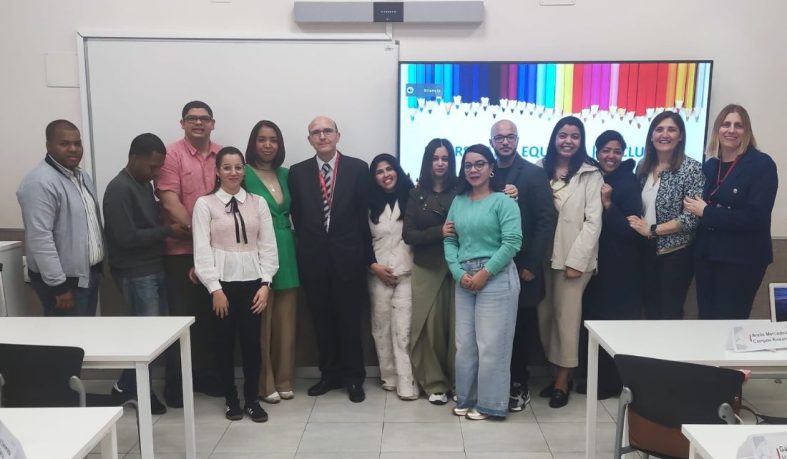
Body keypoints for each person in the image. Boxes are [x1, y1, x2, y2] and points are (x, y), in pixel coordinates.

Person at [103, 133, 190, 415]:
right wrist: (168, 231)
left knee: (154, 335)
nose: (156, 175)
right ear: (134, 158)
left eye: (159, 168)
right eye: (152, 167)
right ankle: (140, 391)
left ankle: (126, 387)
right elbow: (126, 237)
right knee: (146, 336)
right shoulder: (119, 189)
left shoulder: (141, 185)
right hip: (135, 272)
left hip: (153, 267)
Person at [289, 116, 372, 403]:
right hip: (313, 260)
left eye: (327, 131)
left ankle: (353, 378)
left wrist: (364, 258)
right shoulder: (297, 173)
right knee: (321, 321)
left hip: (348, 259)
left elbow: (364, 217)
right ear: (309, 139)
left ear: (338, 135)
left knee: (350, 321)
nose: (322, 136)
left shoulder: (358, 169)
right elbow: (298, 217)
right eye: (316, 132)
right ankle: (329, 375)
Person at [192, 147, 278, 422]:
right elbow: (202, 250)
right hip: (221, 286)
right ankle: (231, 399)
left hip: (253, 282)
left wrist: (266, 283)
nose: (233, 173)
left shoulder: (257, 203)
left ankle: (252, 398)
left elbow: (268, 245)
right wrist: (214, 288)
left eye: (238, 167)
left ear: (244, 170)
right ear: (217, 171)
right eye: (227, 167)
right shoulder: (205, 204)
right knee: (223, 343)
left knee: (252, 344)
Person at [445, 144, 522, 420]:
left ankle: (490, 405)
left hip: (497, 276)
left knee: (491, 345)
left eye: (479, 164)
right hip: (464, 278)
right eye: (468, 165)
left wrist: (484, 273)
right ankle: (466, 398)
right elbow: (450, 239)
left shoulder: (504, 201)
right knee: (465, 345)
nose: (473, 170)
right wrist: (458, 273)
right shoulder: (458, 201)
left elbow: (512, 242)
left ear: (491, 168)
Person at [155, 100, 223, 404]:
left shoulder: (223, 154)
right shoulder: (171, 155)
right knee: (181, 320)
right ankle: (175, 387)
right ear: (182, 123)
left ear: (212, 123)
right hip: (181, 251)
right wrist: (202, 238)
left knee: (210, 319)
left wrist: (210, 243)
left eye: (204, 119)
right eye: (192, 119)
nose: (198, 123)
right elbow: (170, 202)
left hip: (217, 251)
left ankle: (206, 378)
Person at [684, 104, 778, 319]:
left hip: (742, 260)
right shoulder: (709, 166)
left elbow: (756, 217)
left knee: (730, 323)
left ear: (747, 131)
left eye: (739, 125)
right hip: (707, 256)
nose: (731, 130)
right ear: (718, 129)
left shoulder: (761, 164)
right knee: (706, 320)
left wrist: (707, 212)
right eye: (726, 124)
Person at [489, 119, 556, 413]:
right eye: (499, 138)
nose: (505, 142)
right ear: (492, 141)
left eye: (510, 137)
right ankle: (493, 384)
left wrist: (531, 264)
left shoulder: (533, 174)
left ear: (518, 139)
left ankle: (519, 384)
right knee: (492, 331)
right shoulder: (482, 172)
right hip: (488, 267)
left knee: (520, 331)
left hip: (522, 268)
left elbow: (545, 221)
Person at [537, 116, 603, 409]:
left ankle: (563, 381)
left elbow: (593, 222)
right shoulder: (540, 169)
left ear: (581, 140)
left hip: (572, 262)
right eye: (562, 135)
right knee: (546, 318)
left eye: (574, 136)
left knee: (567, 321)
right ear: (554, 138)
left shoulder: (591, 174)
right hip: (543, 258)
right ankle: (555, 375)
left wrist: (577, 260)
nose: (568, 141)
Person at [578, 130, 642, 399]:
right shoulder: (592, 176)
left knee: (613, 326)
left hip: (620, 269)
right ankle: (593, 380)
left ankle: (611, 384)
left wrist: (608, 205)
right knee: (592, 323)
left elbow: (630, 230)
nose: (611, 156)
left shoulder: (627, 183)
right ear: (596, 151)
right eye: (606, 150)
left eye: (617, 151)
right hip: (594, 265)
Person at [17, 120, 103, 317]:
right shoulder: (39, 183)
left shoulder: (80, 176)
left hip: (86, 275)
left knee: (85, 339)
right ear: (49, 146)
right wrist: (58, 286)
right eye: (64, 144)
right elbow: (40, 238)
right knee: (67, 344)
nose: (73, 149)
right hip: (63, 283)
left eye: (77, 143)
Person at [243, 120, 300, 404]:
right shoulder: (242, 173)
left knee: (285, 322)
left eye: (273, 140)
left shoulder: (287, 174)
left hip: (287, 248)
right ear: (253, 143)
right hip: (257, 250)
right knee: (261, 322)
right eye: (262, 139)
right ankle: (264, 384)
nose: (268, 145)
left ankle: (284, 379)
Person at [627, 111, 704, 320]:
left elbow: (691, 218)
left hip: (676, 254)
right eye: (659, 129)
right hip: (645, 250)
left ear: (680, 136)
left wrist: (652, 230)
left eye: (671, 130)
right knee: (649, 310)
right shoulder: (643, 167)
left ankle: (669, 354)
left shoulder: (691, 169)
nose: (665, 134)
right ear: (651, 136)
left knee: (669, 313)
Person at [402, 138, 458, 406]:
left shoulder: (462, 189)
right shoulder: (416, 193)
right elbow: (409, 234)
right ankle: (436, 383)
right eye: (435, 158)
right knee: (431, 327)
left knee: (459, 328)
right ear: (428, 160)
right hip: (427, 267)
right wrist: (439, 232)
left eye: (445, 158)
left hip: (459, 267)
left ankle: (460, 381)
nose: (440, 163)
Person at [367, 153, 417, 400]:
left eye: (389, 169)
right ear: (374, 177)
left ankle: (406, 380)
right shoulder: (368, 204)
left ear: (397, 170)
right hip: (377, 273)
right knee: (381, 326)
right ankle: (389, 376)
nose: (386, 175)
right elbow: (360, 239)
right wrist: (373, 266)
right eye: (379, 171)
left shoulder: (413, 197)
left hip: (407, 273)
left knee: (403, 328)